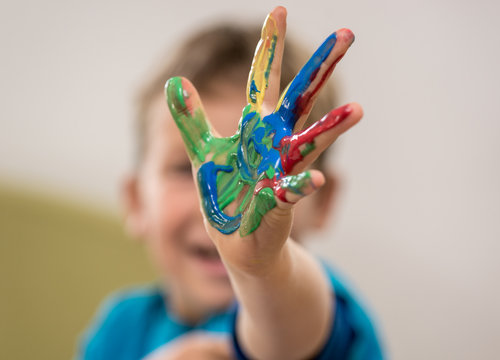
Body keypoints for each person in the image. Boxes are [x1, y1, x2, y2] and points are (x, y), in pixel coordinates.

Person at [79, 6, 383, 359]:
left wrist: (262, 270)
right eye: (182, 168)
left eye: (271, 171)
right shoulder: (121, 330)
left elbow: (287, 334)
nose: (233, 200)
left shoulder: (313, 305)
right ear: (135, 199)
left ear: (324, 202)